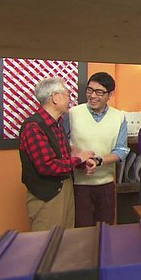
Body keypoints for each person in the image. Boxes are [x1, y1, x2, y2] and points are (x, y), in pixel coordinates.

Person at [19, 77, 95, 231]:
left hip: (65, 191)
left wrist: (81, 163)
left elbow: (63, 158)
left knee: (66, 239)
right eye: (67, 94)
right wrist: (79, 158)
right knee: (47, 241)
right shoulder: (33, 127)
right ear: (55, 97)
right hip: (47, 198)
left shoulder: (57, 124)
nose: (70, 99)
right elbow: (47, 166)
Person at [63, 72, 129, 227]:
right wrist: (80, 157)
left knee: (105, 230)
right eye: (89, 90)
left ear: (110, 94)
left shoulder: (119, 117)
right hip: (78, 185)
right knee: (81, 231)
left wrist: (98, 161)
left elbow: (121, 150)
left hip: (106, 185)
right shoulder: (72, 114)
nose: (92, 96)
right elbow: (62, 144)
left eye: (99, 92)